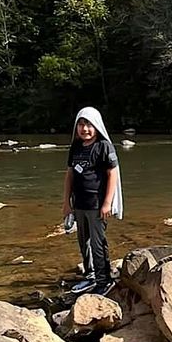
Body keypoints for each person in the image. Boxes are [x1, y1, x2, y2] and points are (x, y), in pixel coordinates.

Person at [63, 105, 122, 294]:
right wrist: (66, 202)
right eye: (81, 124)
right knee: (83, 241)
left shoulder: (104, 146)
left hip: (97, 205)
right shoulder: (76, 147)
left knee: (98, 243)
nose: (85, 129)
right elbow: (70, 174)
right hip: (79, 204)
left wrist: (107, 203)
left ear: (96, 126)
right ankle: (90, 275)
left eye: (89, 124)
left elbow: (113, 174)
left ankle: (104, 280)